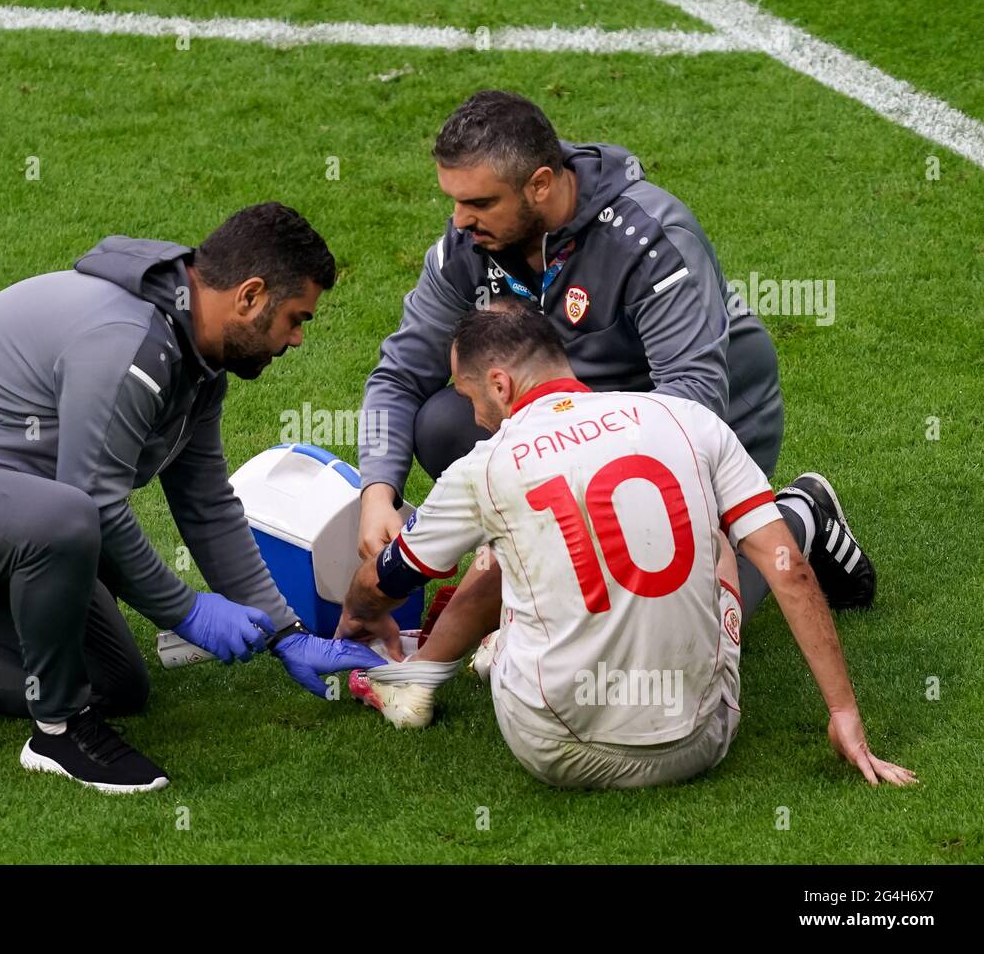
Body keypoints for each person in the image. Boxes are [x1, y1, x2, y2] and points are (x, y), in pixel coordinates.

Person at [0, 203, 384, 794]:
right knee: (74, 517)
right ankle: (59, 734)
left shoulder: (198, 362)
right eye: (296, 318)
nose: (299, 339)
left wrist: (285, 633)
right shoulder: (130, 343)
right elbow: (91, 502)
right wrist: (186, 612)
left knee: (114, 680)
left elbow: (205, 503)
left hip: (4, 519)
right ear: (250, 296)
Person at [339, 304, 914, 790]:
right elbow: (787, 571)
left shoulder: (484, 466)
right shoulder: (686, 418)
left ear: (500, 384)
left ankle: (448, 666)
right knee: (712, 532)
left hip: (550, 747)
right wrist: (842, 713)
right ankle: (804, 512)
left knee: (507, 543)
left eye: (469, 396)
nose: (473, 414)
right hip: (698, 743)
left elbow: (388, 579)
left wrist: (357, 613)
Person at [357, 89, 873, 621]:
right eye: (455, 200)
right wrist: (377, 492)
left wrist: (592, 494)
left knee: (679, 631)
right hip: (574, 429)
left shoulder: (652, 238)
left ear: (540, 184)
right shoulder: (468, 244)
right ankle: (535, 557)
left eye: (480, 203)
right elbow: (399, 375)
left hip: (701, 430)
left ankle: (800, 514)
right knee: (445, 423)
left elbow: (694, 404)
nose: (460, 220)